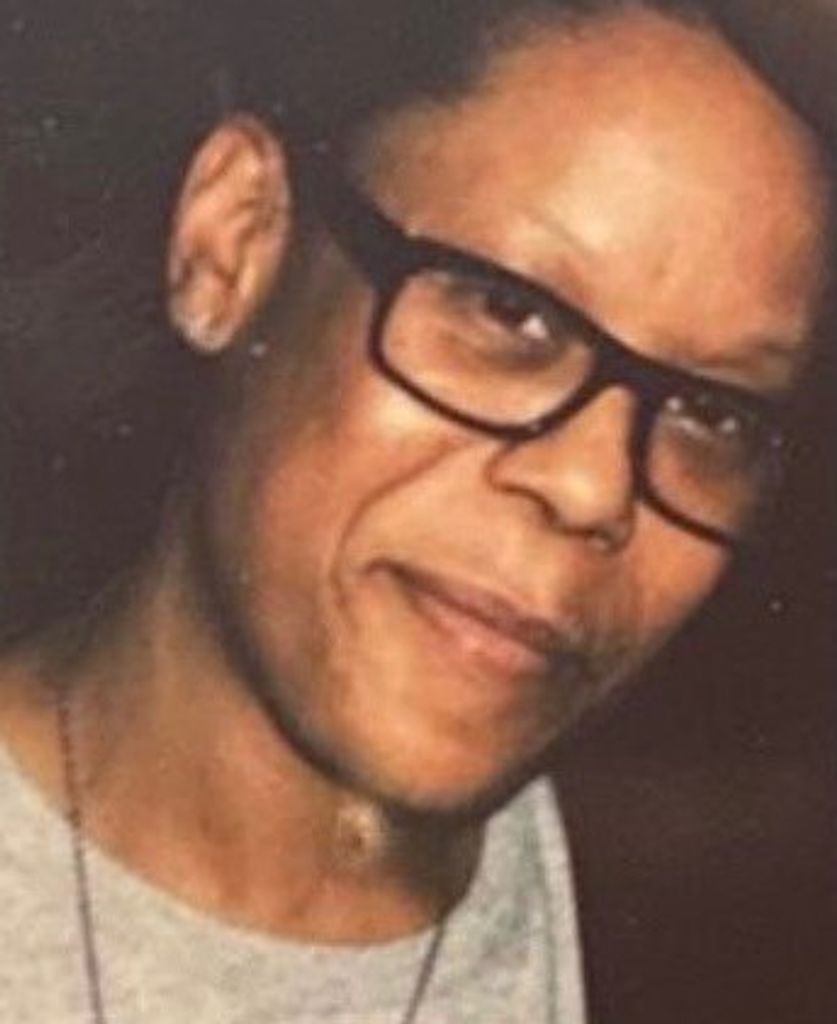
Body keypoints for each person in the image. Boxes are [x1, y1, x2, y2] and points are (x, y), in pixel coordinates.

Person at [0, 1, 832, 1021]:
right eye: (508, 311)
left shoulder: (724, 953)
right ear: (236, 242)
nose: (593, 488)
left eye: (711, 414)